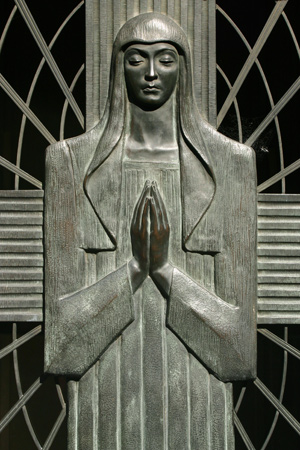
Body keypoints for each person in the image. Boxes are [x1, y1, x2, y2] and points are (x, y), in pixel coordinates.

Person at [44, 13, 257, 449]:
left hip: (199, 399)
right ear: (118, 67)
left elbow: (238, 352)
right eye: (137, 59)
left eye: (166, 58)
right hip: (103, 404)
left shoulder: (231, 166)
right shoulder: (69, 165)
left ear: (185, 67)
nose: (152, 73)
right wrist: (134, 271)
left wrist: (164, 271)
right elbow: (61, 347)